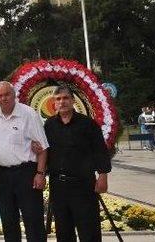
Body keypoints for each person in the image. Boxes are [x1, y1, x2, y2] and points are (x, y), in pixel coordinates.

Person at [44, 85, 111, 241]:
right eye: (58, 99)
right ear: (54, 103)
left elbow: (100, 151)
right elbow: (44, 152)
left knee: (89, 230)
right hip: (58, 186)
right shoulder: (49, 125)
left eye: (66, 98)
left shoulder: (88, 124)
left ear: (73, 100)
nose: (62, 102)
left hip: (84, 185)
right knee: (63, 231)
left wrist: (103, 176)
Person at [0, 81, 48, 242]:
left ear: (14, 95)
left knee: (33, 220)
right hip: (3, 174)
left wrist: (40, 173)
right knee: (8, 221)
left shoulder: (29, 114)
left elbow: (42, 148)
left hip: (26, 173)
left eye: (7, 94)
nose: (3, 98)